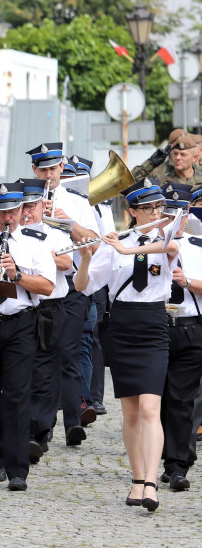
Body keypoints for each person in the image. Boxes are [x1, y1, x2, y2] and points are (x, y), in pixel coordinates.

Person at [84, 178, 178, 511]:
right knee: (131, 413)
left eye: (159, 206)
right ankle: (137, 479)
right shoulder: (114, 243)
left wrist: (126, 249)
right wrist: (85, 256)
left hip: (153, 325)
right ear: (133, 211)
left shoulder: (167, 235)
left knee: (152, 407)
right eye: (149, 208)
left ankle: (151, 483)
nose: (157, 212)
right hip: (122, 325)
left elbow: (169, 250)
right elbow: (84, 285)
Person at [0, 182, 55, 493]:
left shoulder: (36, 241)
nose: (8, 218)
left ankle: (18, 469)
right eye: (1, 212)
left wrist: (17, 275)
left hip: (21, 321)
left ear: (21, 211)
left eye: (13, 211)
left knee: (18, 394)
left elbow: (47, 286)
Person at [16, 179, 83, 463]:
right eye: (23, 207)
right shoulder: (11, 234)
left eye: (32, 206)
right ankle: (24, 430)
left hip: (50, 306)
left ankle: (38, 433)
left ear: (44, 206)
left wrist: (38, 256)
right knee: (22, 372)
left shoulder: (54, 233)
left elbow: (67, 264)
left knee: (45, 371)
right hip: (19, 306)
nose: (27, 212)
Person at [157, 183, 202, 491]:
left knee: (182, 399)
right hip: (153, 327)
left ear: (187, 213)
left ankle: (177, 466)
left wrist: (189, 282)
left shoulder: (199, 246)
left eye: (178, 211)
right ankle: (158, 457)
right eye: (166, 211)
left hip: (188, 326)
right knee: (153, 400)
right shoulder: (144, 245)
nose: (172, 217)